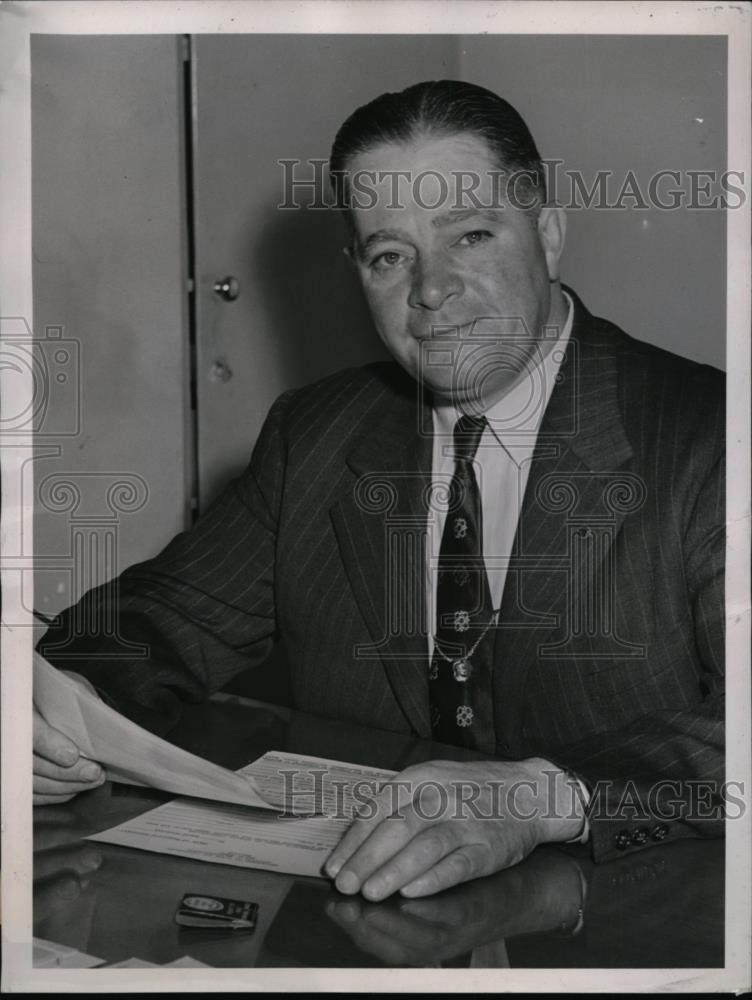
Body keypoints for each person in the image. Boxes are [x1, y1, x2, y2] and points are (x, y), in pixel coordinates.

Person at [33, 80, 725, 902]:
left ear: (547, 234)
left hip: (646, 916)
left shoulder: (708, 436)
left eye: (470, 235)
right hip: (370, 920)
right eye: (390, 254)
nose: (430, 289)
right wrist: (60, 708)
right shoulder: (317, 433)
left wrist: (544, 796)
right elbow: (161, 620)